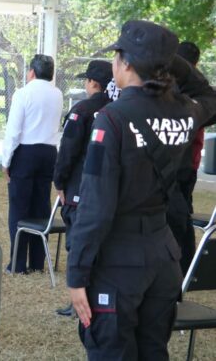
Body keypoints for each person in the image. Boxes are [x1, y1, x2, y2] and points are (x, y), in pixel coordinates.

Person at [67, 21, 216, 360]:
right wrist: (167, 59)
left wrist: (77, 276)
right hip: (163, 258)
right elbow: (209, 95)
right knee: (153, 350)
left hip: (118, 262)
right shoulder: (184, 111)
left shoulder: (112, 118)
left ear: (127, 63)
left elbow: (95, 208)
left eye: (117, 56)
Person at [52, 60, 112, 317]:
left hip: (79, 187)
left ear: (92, 83)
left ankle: (79, 303)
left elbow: (68, 150)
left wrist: (59, 181)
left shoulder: (82, 111)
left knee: (77, 244)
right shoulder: (116, 110)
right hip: (106, 189)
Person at [2, 54, 63, 273]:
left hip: (26, 152)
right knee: (41, 206)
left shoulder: (23, 93)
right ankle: (37, 262)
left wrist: (6, 160)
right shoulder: (57, 94)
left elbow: (13, 131)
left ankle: (18, 263)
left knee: (19, 208)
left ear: (32, 72)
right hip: (49, 152)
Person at [175, 41, 204, 274]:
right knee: (183, 212)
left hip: (180, 161)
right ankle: (186, 265)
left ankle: (184, 266)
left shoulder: (182, 88)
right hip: (188, 162)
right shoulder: (199, 87)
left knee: (179, 215)